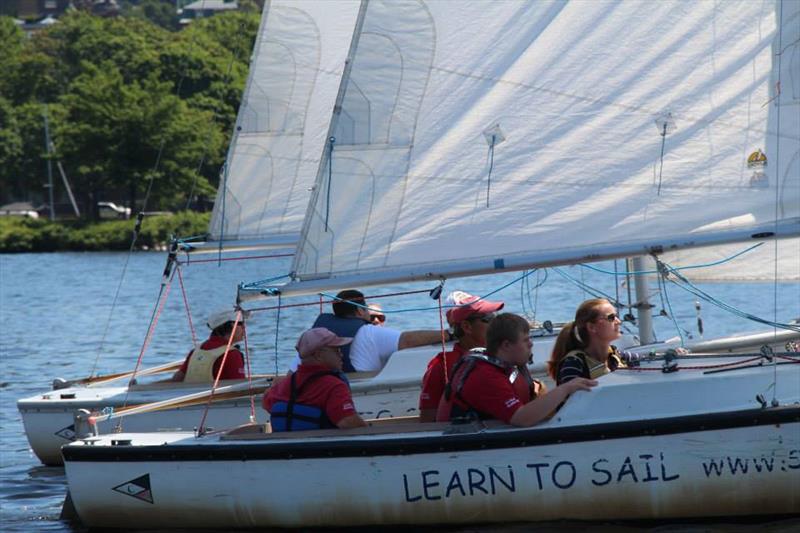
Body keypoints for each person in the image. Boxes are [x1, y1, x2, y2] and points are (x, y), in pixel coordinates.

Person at [436, 313, 596, 426]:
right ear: (506, 345)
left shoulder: (508, 365)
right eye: (526, 340)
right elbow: (521, 418)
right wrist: (565, 388)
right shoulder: (485, 376)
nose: (531, 344)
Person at [311, 289, 450, 372]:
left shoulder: (315, 333)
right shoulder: (368, 332)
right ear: (360, 311)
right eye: (366, 308)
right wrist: (448, 334)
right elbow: (407, 340)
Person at [418, 291, 505, 422]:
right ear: (467, 327)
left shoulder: (505, 358)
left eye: (496, 317)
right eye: (488, 319)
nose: (496, 324)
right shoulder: (441, 367)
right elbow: (428, 422)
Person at [264, 328, 367, 431]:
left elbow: (266, 402)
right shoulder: (334, 386)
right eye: (337, 350)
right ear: (318, 355)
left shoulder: (284, 384)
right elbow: (347, 422)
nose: (341, 355)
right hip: (323, 446)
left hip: (286, 445)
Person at [547, 298, 626, 385]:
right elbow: (571, 397)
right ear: (592, 327)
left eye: (617, 316)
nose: (618, 321)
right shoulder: (574, 364)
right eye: (611, 318)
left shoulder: (616, 356)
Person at [172, 309, 249, 383]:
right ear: (230, 326)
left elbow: (176, 380)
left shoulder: (195, 351)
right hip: (219, 396)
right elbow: (239, 388)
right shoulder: (232, 354)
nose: (244, 327)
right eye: (241, 323)